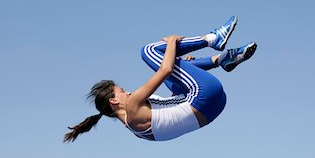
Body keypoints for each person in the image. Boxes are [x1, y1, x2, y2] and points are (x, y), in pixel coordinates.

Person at [64, 16, 257, 142]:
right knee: (149, 51)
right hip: (205, 95)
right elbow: (165, 69)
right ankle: (212, 39)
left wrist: (181, 65)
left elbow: (172, 99)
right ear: (114, 101)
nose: (127, 91)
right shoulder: (132, 104)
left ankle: (220, 60)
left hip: (213, 109)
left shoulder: (135, 128)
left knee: (171, 66)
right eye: (121, 91)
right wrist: (172, 41)